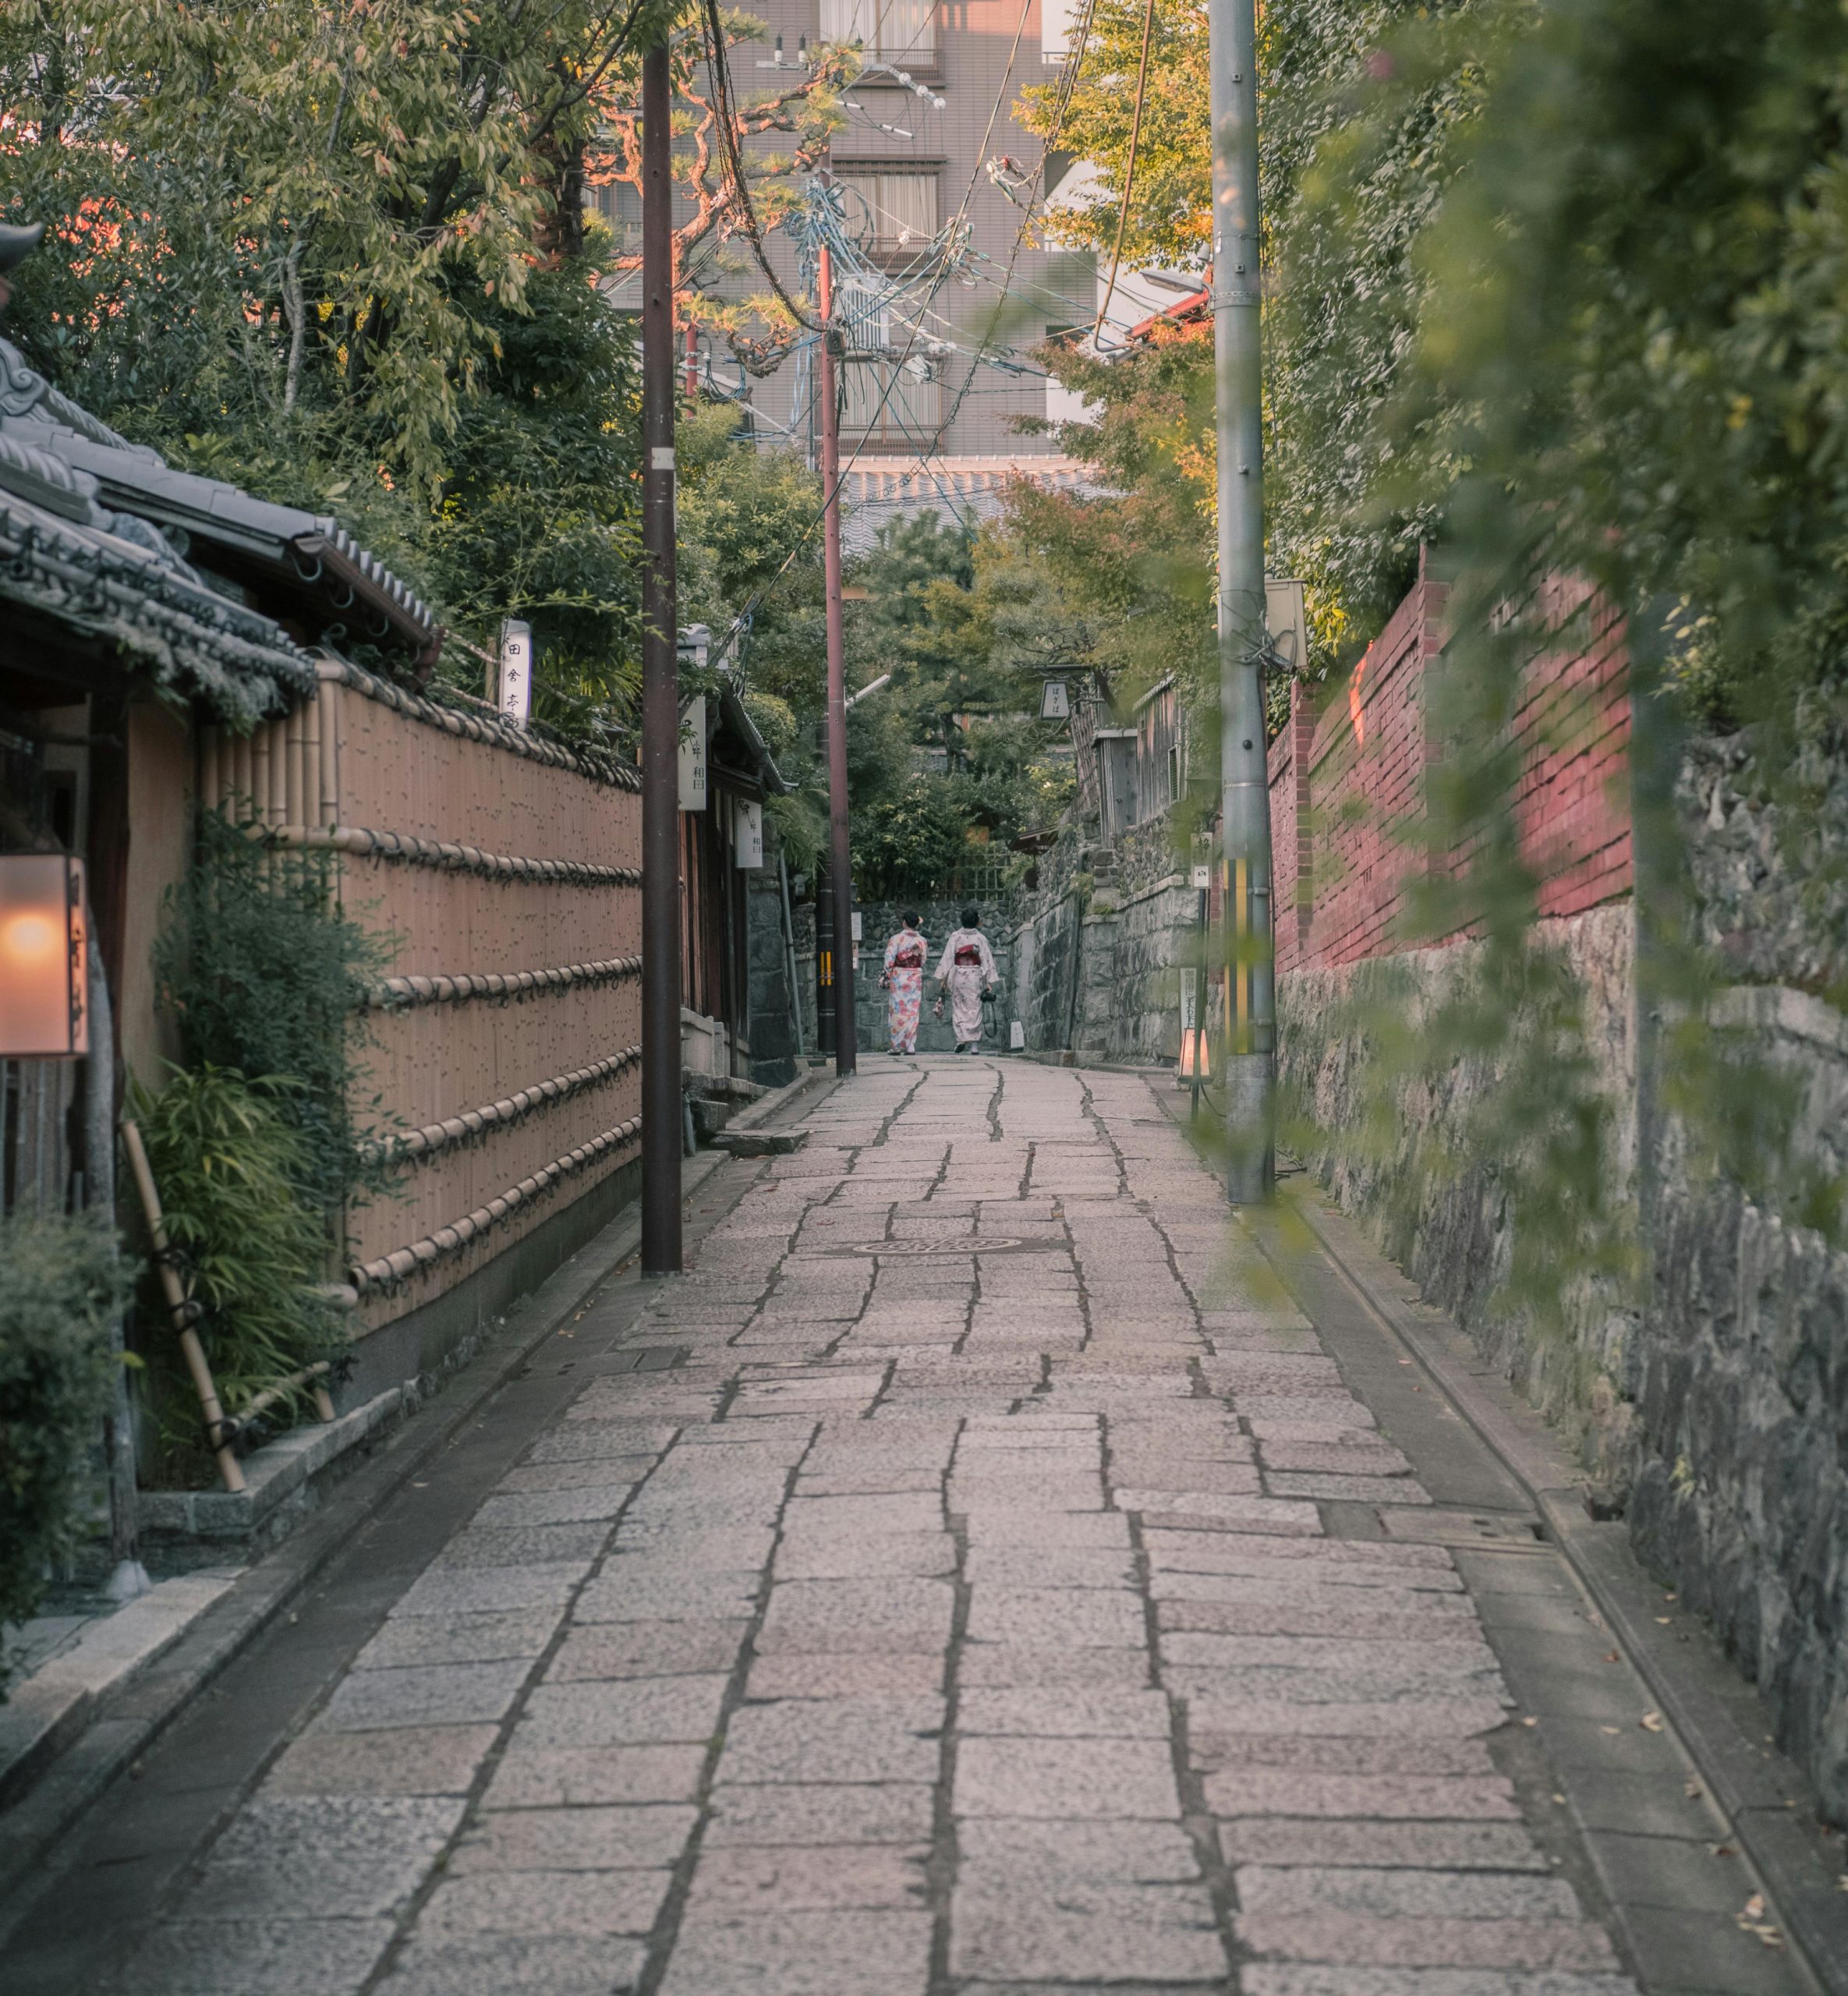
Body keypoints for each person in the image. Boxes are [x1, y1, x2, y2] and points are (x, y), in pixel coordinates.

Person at [933, 905, 998, 1053]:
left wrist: (943, 977)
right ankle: (974, 1046)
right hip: (975, 975)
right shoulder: (980, 938)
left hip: (959, 974)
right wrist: (988, 981)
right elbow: (986, 960)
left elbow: (948, 957)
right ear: (977, 921)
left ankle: (961, 1039)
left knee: (959, 1007)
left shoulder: (955, 937)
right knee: (975, 1009)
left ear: (962, 920)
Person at [880, 911, 928, 1056]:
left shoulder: (896, 939)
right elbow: (923, 960)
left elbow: (889, 960)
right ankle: (910, 1045)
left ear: (904, 923)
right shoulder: (922, 941)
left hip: (899, 977)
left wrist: (887, 975)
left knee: (897, 1011)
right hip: (915, 977)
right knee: (912, 1011)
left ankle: (896, 1046)